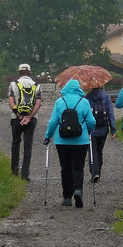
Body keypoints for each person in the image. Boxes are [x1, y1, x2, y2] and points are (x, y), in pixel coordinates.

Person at [42, 78, 97, 207]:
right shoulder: (84, 102)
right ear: (78, 88)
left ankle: (67, 197)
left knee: (65, 168)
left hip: (62, 140)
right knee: (78, 167)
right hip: (81, 140)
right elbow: (91, 121)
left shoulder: (60, 102)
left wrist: (47, 136)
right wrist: (88, 130)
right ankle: (78, 189)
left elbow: (53, 121)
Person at [5, 63, 40, 180]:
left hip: (16, 118)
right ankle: (25, 174)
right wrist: (29, 117)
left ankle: (14, 171)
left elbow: (11, 101)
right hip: (31, 119)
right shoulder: (36, 85)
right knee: (28, 146)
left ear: (19, 73)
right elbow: (38, 103)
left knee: (15, 142)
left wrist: (19, 116)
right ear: (29, 73)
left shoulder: (13, 84)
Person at [85, 80, 116, 183]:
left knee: (92, 151)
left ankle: (94, 173)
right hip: (103, 128)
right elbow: (110, 113)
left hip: (92, 129)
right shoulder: (106, 97)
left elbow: (86, 113)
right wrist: (113, 129)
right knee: (99, 150)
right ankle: (99, 171)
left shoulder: (88, 98)